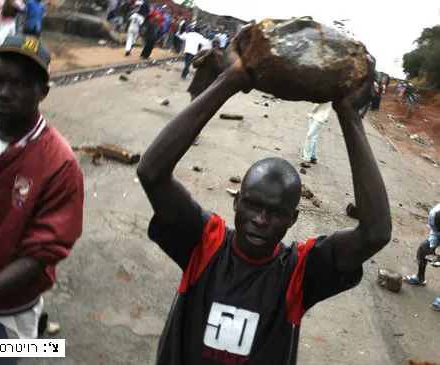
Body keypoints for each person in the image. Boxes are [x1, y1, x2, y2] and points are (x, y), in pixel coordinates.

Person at [136, 52, 391, 364]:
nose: (260, 220)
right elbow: (151, 173)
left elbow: (375, 233)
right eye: (252, 205)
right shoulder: (204, 244)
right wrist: (228, 82)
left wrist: (350, 115)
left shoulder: (300, 272)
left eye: (275, 212)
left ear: (293, 219)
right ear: (235, 202)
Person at [0, 35, 84, 364]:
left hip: (7, 315)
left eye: (21, 84)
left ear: (44, 91)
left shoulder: (60, 164)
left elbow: (40, 255)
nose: (5, 92)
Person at [187, 38, 227, 145]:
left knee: (200, 115)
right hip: (197, 88)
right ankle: (187, 133)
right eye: (213, 44)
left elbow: (221, 72)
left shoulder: (221, 57)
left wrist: (214, 58)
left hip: (209, 91)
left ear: (219, 46)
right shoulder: (204, 52)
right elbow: (194, 64)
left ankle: (195, 136)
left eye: (216, 45)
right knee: (192, 112)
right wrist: (205, 57)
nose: (214, 46)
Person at [404, 203, 440, 311]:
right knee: (424, 247)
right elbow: (435, 232)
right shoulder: (434, 214)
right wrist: (432, 249)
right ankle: (420, 278)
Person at [300, 102, 333, 168]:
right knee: (313, 136)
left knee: (310, 135)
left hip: (320, 115)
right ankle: (313, 157)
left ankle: (307, 160)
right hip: (314, 113)